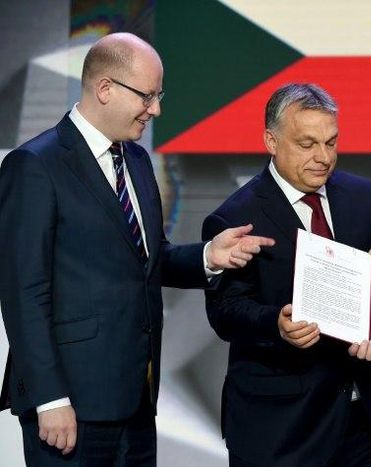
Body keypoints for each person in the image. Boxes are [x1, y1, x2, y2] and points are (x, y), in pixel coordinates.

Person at [0, 32, 274, 466]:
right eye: (147, 96)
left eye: (159, 95)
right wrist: (50, 398)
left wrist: (208, 256)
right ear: (105, 88)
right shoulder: (35, 166)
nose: (156, 109)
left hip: (137, 402)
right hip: (71, 405)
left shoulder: (138, 161)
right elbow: (22, 293)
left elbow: (147, 259)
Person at [202, 83, 371, 467]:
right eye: (307, 144)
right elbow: (226, 311)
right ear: (271, 141)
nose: (323, 157)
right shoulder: (234, 217)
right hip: (280, 430)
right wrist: (275, 323)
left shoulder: (366, 197)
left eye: (331, 142)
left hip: (364, 424)